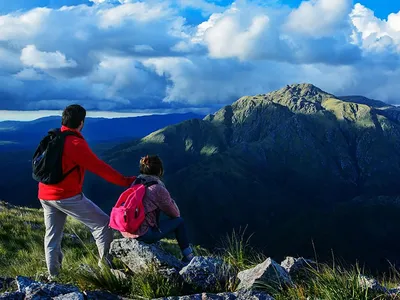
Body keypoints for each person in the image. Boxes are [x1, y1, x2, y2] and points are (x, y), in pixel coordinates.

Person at [38, 104, 135, 279]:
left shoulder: (54, 137)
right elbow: (100, 168)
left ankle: (54, 277)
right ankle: (105, 269)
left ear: (63, 120)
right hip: (65, 196)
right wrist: (126, 181)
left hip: (45, 194)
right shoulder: (74, 143)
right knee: (104, 225)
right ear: (81, 123)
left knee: (52, 236)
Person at [121, 155, 194, 263]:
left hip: (126, 230)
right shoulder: (157, 188)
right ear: (159, 170)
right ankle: (189, 256)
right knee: (179, 222)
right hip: (144, 233)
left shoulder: (135, 182)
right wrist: (168, 197)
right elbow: (175, 214)